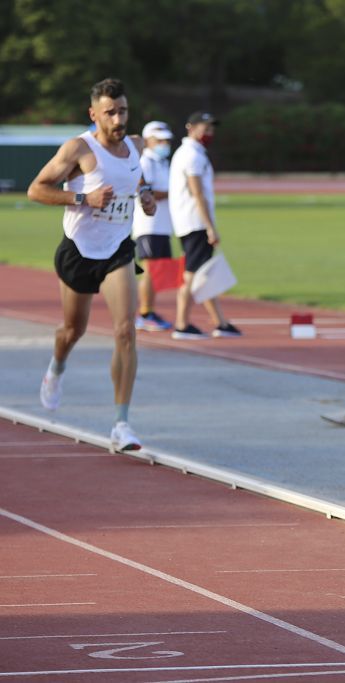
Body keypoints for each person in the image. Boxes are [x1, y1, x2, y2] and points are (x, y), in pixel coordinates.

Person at [27, 78, 157, 452]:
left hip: (118, 249)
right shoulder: (79, 149)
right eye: (110, 113)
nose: (118, 119)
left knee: (125, 332)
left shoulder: (135, 145)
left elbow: (136, 179)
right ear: (93, 114)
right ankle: (57, 366)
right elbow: (36, 189)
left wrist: (145, 196)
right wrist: (84, 196)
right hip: (79, 251)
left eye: (123, 111)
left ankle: (121, 424)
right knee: (73, 330)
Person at [168, 111, 241, 340]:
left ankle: (220, 322)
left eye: (211, 129)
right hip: (195, 222)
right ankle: (181, 324)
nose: (209, 133)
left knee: (204, 274)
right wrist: (210, 226)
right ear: (191, 127)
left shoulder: (191, 153)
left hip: (190, 221)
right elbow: (197, 192)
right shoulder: (192, 155)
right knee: (191, 275)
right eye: (205, 128)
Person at [133, 120, 175, 332]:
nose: (164, 144)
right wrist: (175, 192)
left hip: (163, 225)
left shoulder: (163, 163)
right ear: (148, 140)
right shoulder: (146, 162)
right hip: (148, 225)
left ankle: (148, 310)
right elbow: (145, 191)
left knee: (159, 271)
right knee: (151, 270)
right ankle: (144, 312)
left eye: (166, 140)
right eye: (159, 140)